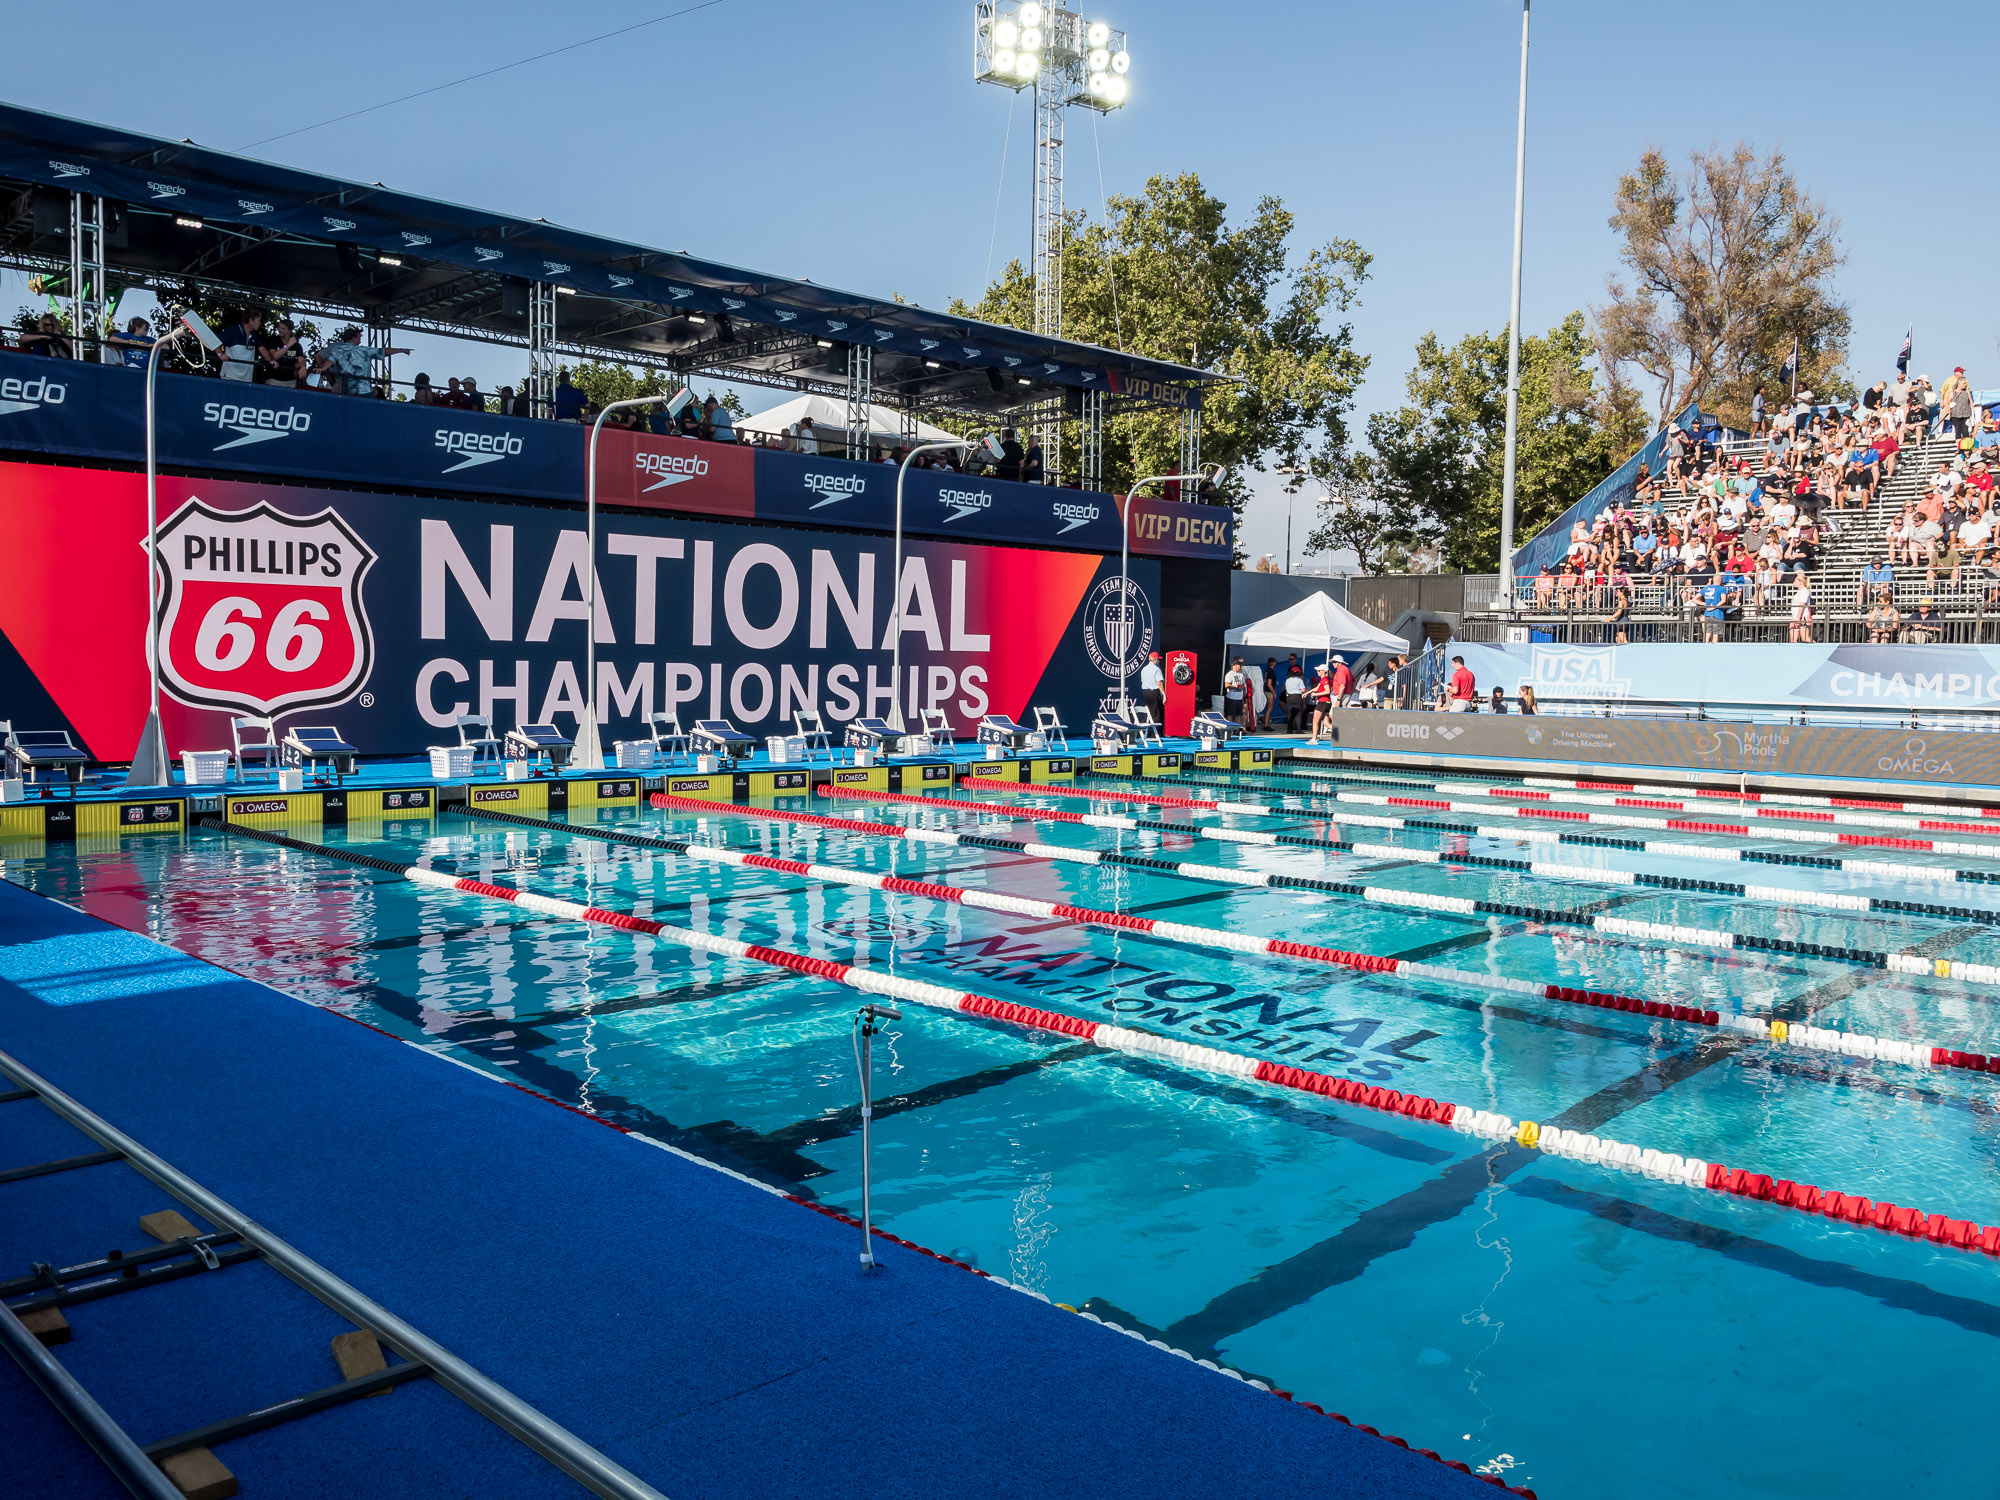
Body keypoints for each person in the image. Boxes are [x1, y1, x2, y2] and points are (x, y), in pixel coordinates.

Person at [315, 326, 408, 396]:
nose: (360, 339)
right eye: (359, 337)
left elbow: (330, 361)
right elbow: (384, 351)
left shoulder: (338, 349)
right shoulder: (363, 350)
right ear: (354, 338)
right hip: (362, 389)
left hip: (344, 388)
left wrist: (323, 369)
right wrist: (401, 350)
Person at [215, 309, 262, 382]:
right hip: (229, 377)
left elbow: (263, 350)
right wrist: (220, 354)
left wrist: (271, 360)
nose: (259, 323)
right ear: (250, 320)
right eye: (258, 321)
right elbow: (216, 341)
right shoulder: (233, 330)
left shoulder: (254, 336)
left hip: (246, 379)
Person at [1306, 663, 1334, 742]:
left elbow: (1327, 691)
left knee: (1315, 720)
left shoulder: (1325, 679)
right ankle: (1342, 732)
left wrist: (1316, 694)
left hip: (1323, 702)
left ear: (1323, 671)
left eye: (1319, 670)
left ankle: (1314, 738)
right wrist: (1306, 693)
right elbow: (1316, 688)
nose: (1317, 672)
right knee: (1326, 723)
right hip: (1326, 703)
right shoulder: (1323, 680)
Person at [1139, 651, 1165, 727]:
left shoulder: (1144, 669)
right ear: (1155, 660)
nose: (1158, 661)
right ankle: (1156, 735)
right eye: (1158, 659)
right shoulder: (1157, 669)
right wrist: (1164, 694)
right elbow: (1159, 683)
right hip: (1154, 692)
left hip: (1145, 693)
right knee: (1156, 714)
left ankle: (1141, 730)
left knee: (1149, 712)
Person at [1788, 573, 1815, 643]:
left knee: (1805, 638)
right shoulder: (1798, 592)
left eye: (1795, 581)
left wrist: (1798, 618)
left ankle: (1816, 649)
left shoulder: (1804, 591)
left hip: (1802, 617)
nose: (1794, 583)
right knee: (1793, 639)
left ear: (1800, 582)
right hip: (1795, 617)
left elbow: (1802, 605)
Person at [1222, 657, 1248, 725]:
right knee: (1230, 714)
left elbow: (1243, 684)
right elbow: (1226, 685)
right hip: (1231, 698)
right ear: (1235, 665)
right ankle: (1229, 729)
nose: (1240, 668)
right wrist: (1234, 686)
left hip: (1239, 698)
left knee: (1239, 714)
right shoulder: (1229, 674)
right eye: (1239, 666)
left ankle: (1237, 730)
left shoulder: (1241, 675)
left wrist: (1243, 690)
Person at [1283, 662, 1307, 733]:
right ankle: (1298, 729)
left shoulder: (1287, 680)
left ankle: (1289, 729)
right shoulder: (1299, 680)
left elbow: (1285, 688)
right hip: (1297, 697)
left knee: (1291, 713)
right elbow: (1303, 690)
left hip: (1289, 697)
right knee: (1298, 714)